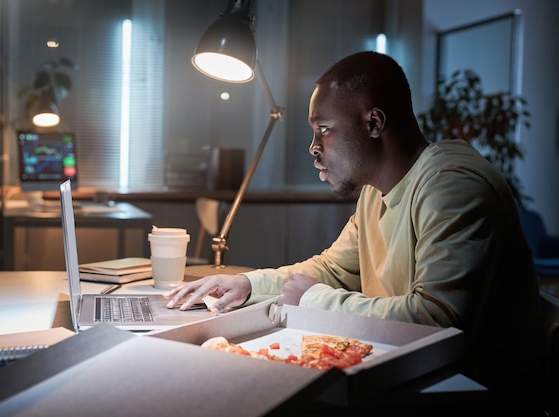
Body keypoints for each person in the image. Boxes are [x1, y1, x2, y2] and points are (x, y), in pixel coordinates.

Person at [165, 51, 544, 415]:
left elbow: (437, 320)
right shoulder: (375, 194)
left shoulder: (453, 186)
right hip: (413, 377)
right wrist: (247, 285)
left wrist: (313, 300)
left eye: (323, 130)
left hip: (478, 398)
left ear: (374, 123)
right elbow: (331, 269)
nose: (313, 147)